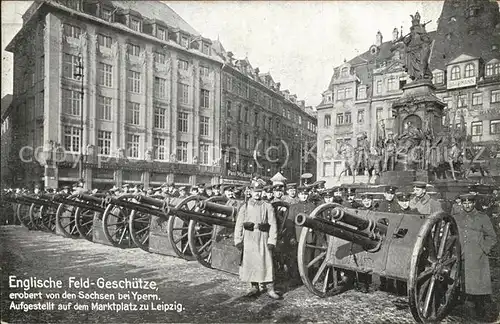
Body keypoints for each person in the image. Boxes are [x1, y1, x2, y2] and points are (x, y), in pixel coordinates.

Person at [234, 180, 280, 299]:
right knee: (251, 263)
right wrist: (238, 240)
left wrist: (272, 241)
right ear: (250, 192)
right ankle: (254, 287)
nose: (257, 194)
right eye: (255, 192)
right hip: (249, 238)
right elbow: (239, 224)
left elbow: (273, 224)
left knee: (266, 261)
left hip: (263, 237)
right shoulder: (245, 206)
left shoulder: (267, 206)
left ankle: (270, 288)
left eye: (259, 192)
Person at [454, 194, 497, 320]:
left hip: (476, 255)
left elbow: (492, 237)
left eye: (470, 203)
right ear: (461, 204)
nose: (467, 205)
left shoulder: (482, 217)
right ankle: (460, 307)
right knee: (460, 281)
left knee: (478, 284)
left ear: (474, 203)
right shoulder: (456, 218)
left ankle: (480, 311)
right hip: (460, 253)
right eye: (464, 203)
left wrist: (483, 248)